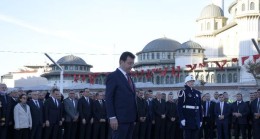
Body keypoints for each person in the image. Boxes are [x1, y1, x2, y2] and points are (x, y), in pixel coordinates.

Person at [105, 51, 137, 139]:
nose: (131, 66)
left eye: (132, 63)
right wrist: (112, 117)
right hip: (119, 120)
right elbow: (109, 98)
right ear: (121, 62)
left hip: (130, 119)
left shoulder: (128, 77)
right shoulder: (113, 76)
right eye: (129, 63)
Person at [177, 75, 202, 139]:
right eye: (190, 81)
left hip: (196, 120)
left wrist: (201, 119)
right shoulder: (183, 92)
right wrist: (182, 118)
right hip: (187, 119)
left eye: (192, 81)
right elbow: (179, 107)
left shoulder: (197, 92)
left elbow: (199, 107)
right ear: (186, 83)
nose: (192, 83)